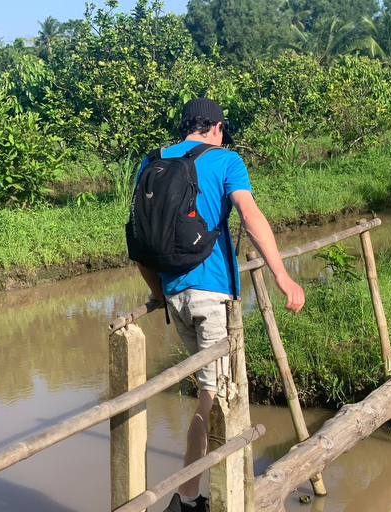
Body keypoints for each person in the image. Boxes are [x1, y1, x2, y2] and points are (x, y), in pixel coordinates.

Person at [135, 98, 305, 512]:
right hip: (212, 294)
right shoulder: (226, 160)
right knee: (218, 398)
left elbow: (139, 236)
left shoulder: (151, 162)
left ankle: (195, 494)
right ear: (215, 128)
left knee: (209, 392)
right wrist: (283, 276)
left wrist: (159, 292)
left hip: (174, 293)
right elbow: (250, 216)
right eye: (223, 130)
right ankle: (201, 498)